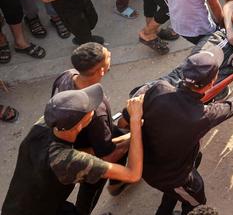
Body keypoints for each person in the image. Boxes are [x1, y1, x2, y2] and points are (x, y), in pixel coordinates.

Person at [135, 44, 233, 215]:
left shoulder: (159, 88)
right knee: (197, 204)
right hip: (171, 177)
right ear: (213, 82)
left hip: (146, 163)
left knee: (194, 161)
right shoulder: (205, 115)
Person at [2, 85, 145, 214]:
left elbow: (85, 153)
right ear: (79, 126)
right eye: (90, 109)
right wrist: (135, 123)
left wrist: (128, 137)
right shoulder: (66, 161)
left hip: (21, 205)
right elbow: (132, 174)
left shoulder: (44, 125)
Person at [50, 43, 131, 214]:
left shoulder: (66, 76)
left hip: (72, 138)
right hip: (88, 149)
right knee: (92, 185)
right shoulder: (96, 110)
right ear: (101, 71)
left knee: (118, 133)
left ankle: (118, 183)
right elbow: (107, 154)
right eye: (107, 55)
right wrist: (135, 137)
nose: (110, 52)